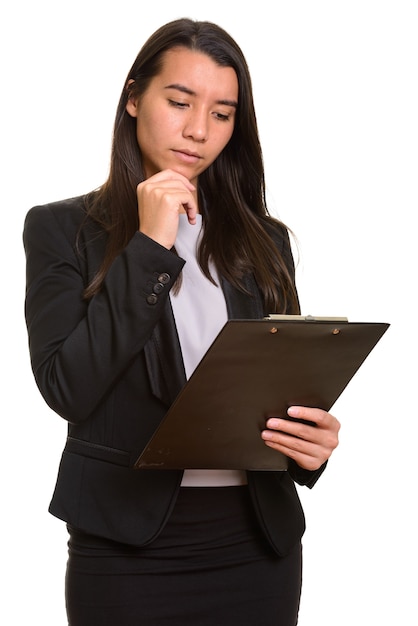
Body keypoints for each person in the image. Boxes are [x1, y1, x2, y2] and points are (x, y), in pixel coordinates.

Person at [23, 18, 340, 626]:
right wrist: (149, 244)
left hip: (256, 546)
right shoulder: (61, 229)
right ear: (135, 97)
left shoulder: (264, 240)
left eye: (222, 114)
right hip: (125, 548)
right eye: (179, 102)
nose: (198, 129)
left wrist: (311, 446)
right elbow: (67, 386)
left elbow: (278, 385)